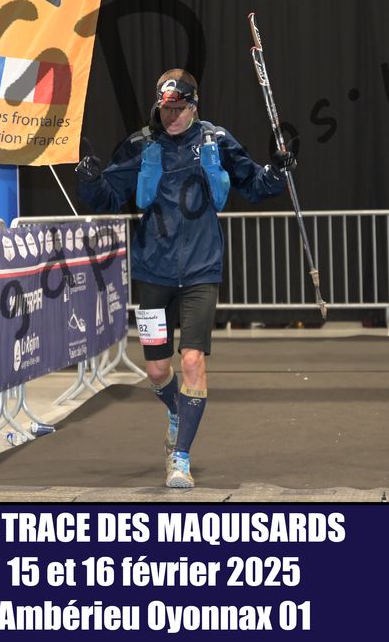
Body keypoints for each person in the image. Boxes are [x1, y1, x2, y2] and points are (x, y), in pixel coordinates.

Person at [75, 68, 297, 488]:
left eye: (179, 108)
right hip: (153, 273)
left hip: (200, 271)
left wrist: (276, 171)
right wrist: (89, 179)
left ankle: (180, 458)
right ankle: (177, 410)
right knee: (157, 371)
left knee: (193, 360)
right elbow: (108, 197)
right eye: (166, 108)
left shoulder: (217, 140)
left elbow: (254, 184)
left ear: (194, 106)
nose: (172, 116)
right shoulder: (142, 145)